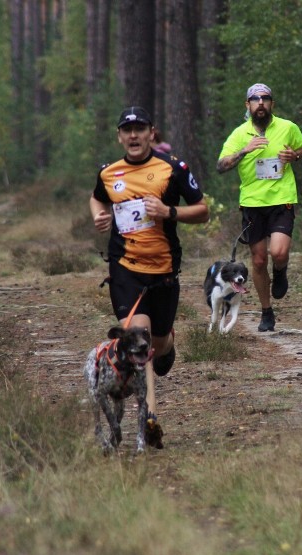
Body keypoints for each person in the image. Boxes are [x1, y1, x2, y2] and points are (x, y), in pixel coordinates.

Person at [90, 106, 209, 447]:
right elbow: (97, 199)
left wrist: (170, 211)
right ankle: (150, 419)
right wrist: (100, 217)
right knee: (138, 339)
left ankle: (168, 344)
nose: (133, 136)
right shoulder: (109, 173)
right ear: (119, 136)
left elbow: (202, 211)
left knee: (157, 344)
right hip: (125, 269)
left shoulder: (173, 169)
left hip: (164, 272)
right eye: (126, 130)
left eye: (139, 129)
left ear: (151, 133)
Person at [216, 83, 302, 332]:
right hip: (252, 204)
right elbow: (221, 166)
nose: (261, 103)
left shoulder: (287, 127)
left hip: (281, 198)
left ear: (272, 103)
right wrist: (244, 151)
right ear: (248, 105)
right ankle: (266, 312)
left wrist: (293, 156)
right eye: (255, 99)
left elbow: (301, 148)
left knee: (278, 252)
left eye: (265, 98)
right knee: (257, 261)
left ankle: (281, 270)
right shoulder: (239, 134)